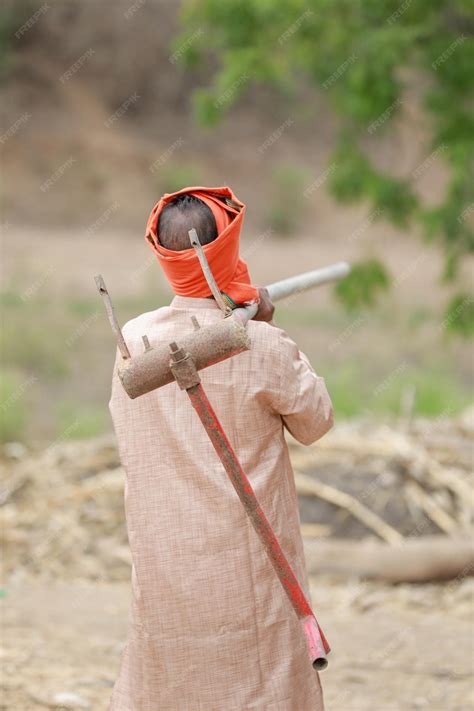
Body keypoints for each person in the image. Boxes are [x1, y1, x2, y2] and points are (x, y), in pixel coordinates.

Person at [109, 185, 333, 711]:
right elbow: (316, 421)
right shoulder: (259, 342)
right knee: (262, 688)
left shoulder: (132, 342)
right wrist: (270, 332)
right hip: (253, 573)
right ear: (230, 247)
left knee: (170, 688)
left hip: (165, 569)